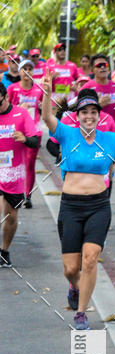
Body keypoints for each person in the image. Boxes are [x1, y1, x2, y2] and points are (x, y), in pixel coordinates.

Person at [41, 78, 115, 329]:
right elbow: (47, 117)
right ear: (77, 115)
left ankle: (81, 312)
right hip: (70, 207)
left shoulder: (109, 139)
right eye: (84, 112)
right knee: (71, 269)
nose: (89, 116)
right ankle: (75, 287)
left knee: (90, 260)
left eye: (93, 112)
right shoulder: (67, 134)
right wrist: (47, 93)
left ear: (99, 116)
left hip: (98, 207)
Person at [0, 81, 40, 266]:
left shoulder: (21, 114)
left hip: (14, 175)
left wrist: (24, 138)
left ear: (6, 97)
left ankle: (4, 251)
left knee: (11, 215)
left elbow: (35, 141)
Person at [8, 60, 44, 207]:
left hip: (33, 131)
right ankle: (12, 192)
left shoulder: (39, 90)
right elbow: (6, 108)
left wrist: (42, 106)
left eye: (30, 69)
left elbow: (45, 107)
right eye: (24, 68)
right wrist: (18, 107)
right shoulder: (12, 88)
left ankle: (27, 196)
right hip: (15, 131)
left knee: (29, 164)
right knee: (14, 163)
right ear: (19, 71)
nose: (27, 71)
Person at [83, 53, 115, 126]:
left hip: (113, 127)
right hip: (94, 128)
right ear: (92, 70)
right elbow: (81, 113)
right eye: (99, 65)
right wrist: (98, 106)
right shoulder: (87, 87)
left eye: (105, 65)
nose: (102, 67)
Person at [46, 42, 78, 108]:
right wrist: (52, 78)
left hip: (69, 97)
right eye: (60, 50)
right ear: (55, 52)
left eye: (64, 50)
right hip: (55, 97)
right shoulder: (49, 66)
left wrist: (76, 86)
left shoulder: (72, 65)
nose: (62, 51)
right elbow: (44, 82)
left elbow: (77, 79)